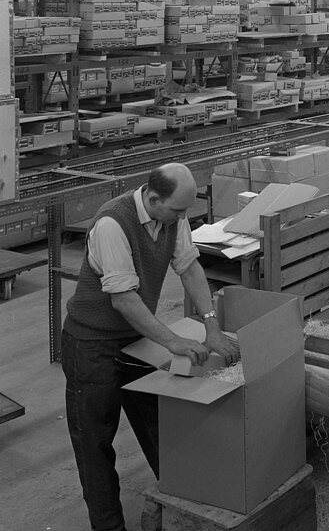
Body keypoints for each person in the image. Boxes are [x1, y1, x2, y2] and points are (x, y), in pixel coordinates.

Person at [62, 163, 238, 531]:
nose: (182, 217)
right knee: (94, 442)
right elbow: (124, 300)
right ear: (153, 197)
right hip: (90, 344)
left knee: (159, 423)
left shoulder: (172, 215)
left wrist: (212, 326)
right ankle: (108, 526)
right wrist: (174, 341)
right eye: (177, 210)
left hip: (135, 338)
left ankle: (181, 504)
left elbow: (189, 267)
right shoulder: (112, 223)